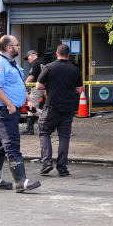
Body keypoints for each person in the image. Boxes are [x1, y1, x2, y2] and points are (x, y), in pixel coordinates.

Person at [0, 35, 41, 193]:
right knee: (12, 144)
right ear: (9, 47)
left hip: (10, 110)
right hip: (4, 110)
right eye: (17, 45)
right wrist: (10, 105)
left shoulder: (11, 63)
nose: (19, 47)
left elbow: (19, 85)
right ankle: (20, 181)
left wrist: (28, 100)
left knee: (2, 145)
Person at [36, 43, 84, 177]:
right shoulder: (75, 70)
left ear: (57, 54)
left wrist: (50, 86)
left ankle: (47, 162)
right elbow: (79, 90)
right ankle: (62, 168)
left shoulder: (49, 67)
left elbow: (39, 86)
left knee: (44, 133)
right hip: (68, 109)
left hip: (51, 107)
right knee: (64, 137)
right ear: (68, 55)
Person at [23, 50, 43, 135]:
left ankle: (50, 117)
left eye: (27, 58)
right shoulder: (41, 63)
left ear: (31, 55)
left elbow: (31, 76)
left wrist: (24, 85)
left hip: (37, 88)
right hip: (42, 87)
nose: (28, 60)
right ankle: (29, 128)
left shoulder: (35, 63)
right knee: (31, 107)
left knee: (31, 108)